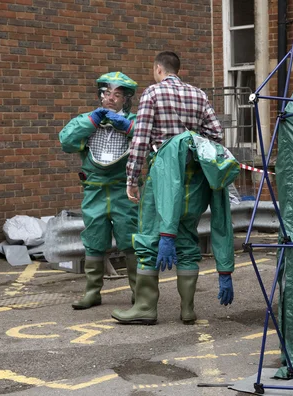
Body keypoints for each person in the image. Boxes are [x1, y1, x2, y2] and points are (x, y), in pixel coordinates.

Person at [111, 52, 236, 325]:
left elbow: (141, 139)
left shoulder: (153, 93)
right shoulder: (199, 95)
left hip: (164, 176)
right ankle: (187, 309)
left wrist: (132, 179)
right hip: (196, 180)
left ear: (158, 69)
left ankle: (145, 308)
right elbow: (215, 135)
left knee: (149, 238)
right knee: (187, 239)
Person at [59, 71, 139, 310]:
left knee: (132, 239)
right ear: (100, 95)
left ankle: (139, 292)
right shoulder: (87, 120)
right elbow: (66, 141)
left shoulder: (136, 120)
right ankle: (92, 292)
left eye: (117, 94)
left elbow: (152, 138)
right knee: (93, 240)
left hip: (124, 190)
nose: (110, 98)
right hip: (94, 190)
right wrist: (92, 121)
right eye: (106, 92)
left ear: (126, 98)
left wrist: (128, 127)